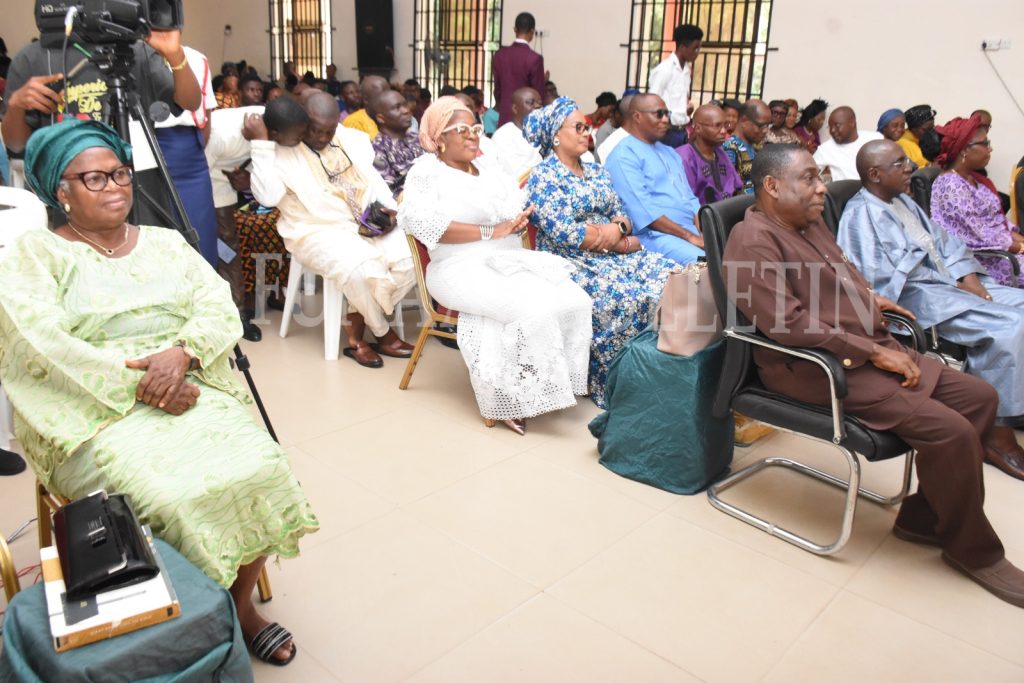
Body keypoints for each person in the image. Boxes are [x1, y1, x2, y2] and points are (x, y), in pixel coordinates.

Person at [2, 119, 319, 663]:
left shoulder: (166, 243)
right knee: (166, 496)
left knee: (263, 466)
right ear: (61, 191)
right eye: (94, 178)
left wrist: (183, 355)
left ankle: (235, 607)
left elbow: (217, 307)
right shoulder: (35, 255)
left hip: (186, 381)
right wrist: (147, 384)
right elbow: (40, 346)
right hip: (88, 407)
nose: (114, 186)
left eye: (120, 173)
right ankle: (181, 618)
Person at [722, 143, 1024, 609]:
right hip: (814, 368)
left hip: (863, 348)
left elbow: (841, 273)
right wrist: (874, 353)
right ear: (772, 186)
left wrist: (869, 299)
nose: (822, 188)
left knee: (980, 397)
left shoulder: (808, 220)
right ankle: (973, 551)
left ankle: (922, 517)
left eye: (819, 176)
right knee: (952, 431)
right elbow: (790, 326)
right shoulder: (751, 242)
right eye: (809, 178)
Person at [398, 97, 591, 435]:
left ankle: (548, 383)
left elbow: (511, 210)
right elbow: (428, 227)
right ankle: (511, 397)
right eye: (462, 129)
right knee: (531, 309)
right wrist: (492, 231)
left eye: (476, 128)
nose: (474, 135)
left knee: (575, 299)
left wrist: (516, 221)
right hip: (457, 267)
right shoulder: (427, 172)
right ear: (439, 137)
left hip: (507, 259)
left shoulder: (488, 170)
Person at [840, 139, 1024, 479]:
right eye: (899, 163)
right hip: (918, 295)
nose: (910, 167)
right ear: (875, 174)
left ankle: (1017, 402)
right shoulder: (859, 215)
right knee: (1010, 328)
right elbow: (871, 280)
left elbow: (944, 242)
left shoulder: (902, 201)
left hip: (949, 281)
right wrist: (932, 266)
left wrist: (968, 276)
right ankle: (996, 434)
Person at [524, 98, 673, 407]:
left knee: (670, 277)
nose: (586, 133)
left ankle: (658, 373)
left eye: (587, 127)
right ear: (555, 135)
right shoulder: (544, 176)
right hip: (570, 259)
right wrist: (616, 239)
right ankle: (616, 384)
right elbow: (565, 231)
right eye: (578, 127)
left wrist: (618, 230)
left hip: (611, 252)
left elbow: (622, 214)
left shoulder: (596, 170)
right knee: (625, 297)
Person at [249, 92, 415, 367]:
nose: (323, 137)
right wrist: (260, 146)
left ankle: (357, 317)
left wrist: (389, 210)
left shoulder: (349, 139)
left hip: (365, 223)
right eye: (316, 130)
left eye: (330, 130)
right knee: (361, 269)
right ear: (302, 121)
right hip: (315, 231)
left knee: (411, 257)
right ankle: (379, 333)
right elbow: (267, 197)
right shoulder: (282, 149)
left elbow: (371, 178)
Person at [1, 28, 201, 155]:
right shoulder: (31, 58)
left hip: (139, 184)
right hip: (66, 190)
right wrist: (16, 106)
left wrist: (175, 55)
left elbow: (190, 102)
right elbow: (15, 144)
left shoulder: (136, 51)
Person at [604, 94, 704, 265]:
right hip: (654, 236)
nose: (665, 120)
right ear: (637, 116)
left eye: (667, 114)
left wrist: (703, 233)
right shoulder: (624, 155)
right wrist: (690, 237)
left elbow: (690, 199)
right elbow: (645, 212)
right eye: (659, 114)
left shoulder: (670, 152)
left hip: (688, 233)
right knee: (705, 263)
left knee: (733, 253)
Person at [930, 115, 1024, 287]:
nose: (990, 148)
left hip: (1003, 252)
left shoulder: (971, 179)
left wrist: (1020, 239)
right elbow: (981, 235)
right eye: (985, 143)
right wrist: (1020, 247)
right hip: (985, 263)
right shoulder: (951, 186)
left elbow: (997, 222)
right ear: (964, 150)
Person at [152, 45, 219, 267]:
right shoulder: (124, 55)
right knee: (154, 236)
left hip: (188, 154)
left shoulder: (195, 58)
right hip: (143, 147)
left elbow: (205, 116)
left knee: (199, 234)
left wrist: (194, 150)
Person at [648, 24, 703, 148]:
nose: (698, 53)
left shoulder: (687, 70)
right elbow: (652, 101)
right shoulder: (664, 69)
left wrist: (685, 110)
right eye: (695, 48)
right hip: (666, 132)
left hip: (682, 131)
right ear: (683, 47)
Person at [677, 103, 743, 204]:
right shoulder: (684, 157)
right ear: (698, 128)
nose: (723, 131)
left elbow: (737, 187)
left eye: (725, 125)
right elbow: (684, 201)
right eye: (717, 126)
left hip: (725, 211)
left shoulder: (721, 153)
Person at [492, 12, 546, 126]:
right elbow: (539, 95)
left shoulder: (499, 55)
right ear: (532, 32)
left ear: (515, 29)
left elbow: (497, 91)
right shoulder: (535, 58)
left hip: (504, 117)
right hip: (525, 120)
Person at [370, 90, 424, 196]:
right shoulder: (376, 150)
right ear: (381, 118)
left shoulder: (416, 138)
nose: (406, 110)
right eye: (397, 108)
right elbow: (388, 195)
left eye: (405, 105)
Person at [812, 106, 882, 182]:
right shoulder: (826, 149)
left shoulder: (875, 138)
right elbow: (808, 170)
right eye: (830, 127)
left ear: (852, 123)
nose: (832, 130)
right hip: (847, 189)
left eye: (837, 125)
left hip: (876, 187)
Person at [491, 86, 542, 180]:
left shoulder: (543, 133)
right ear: (515, 108)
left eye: (540, 103)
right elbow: (515, 174)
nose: (537, 106)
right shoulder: (503, 136)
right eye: (531, 103)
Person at [722, 99, 770, 194]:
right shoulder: (731, 148)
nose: (765, 130)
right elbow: (727, 190)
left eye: (768, 125)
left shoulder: (755, 146)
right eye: (761, 125)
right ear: (744, 121)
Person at [595, 95, 633, 164]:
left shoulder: (626, 134)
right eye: (610, 111)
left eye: (612, 112)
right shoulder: (609, 132)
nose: (610, 115)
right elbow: (598, 158)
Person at [899, 104, 935, 169]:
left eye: (932, 128)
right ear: (913, 128)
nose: (930, 132)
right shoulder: (903, 144)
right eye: (925, 130)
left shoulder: (924, 140)